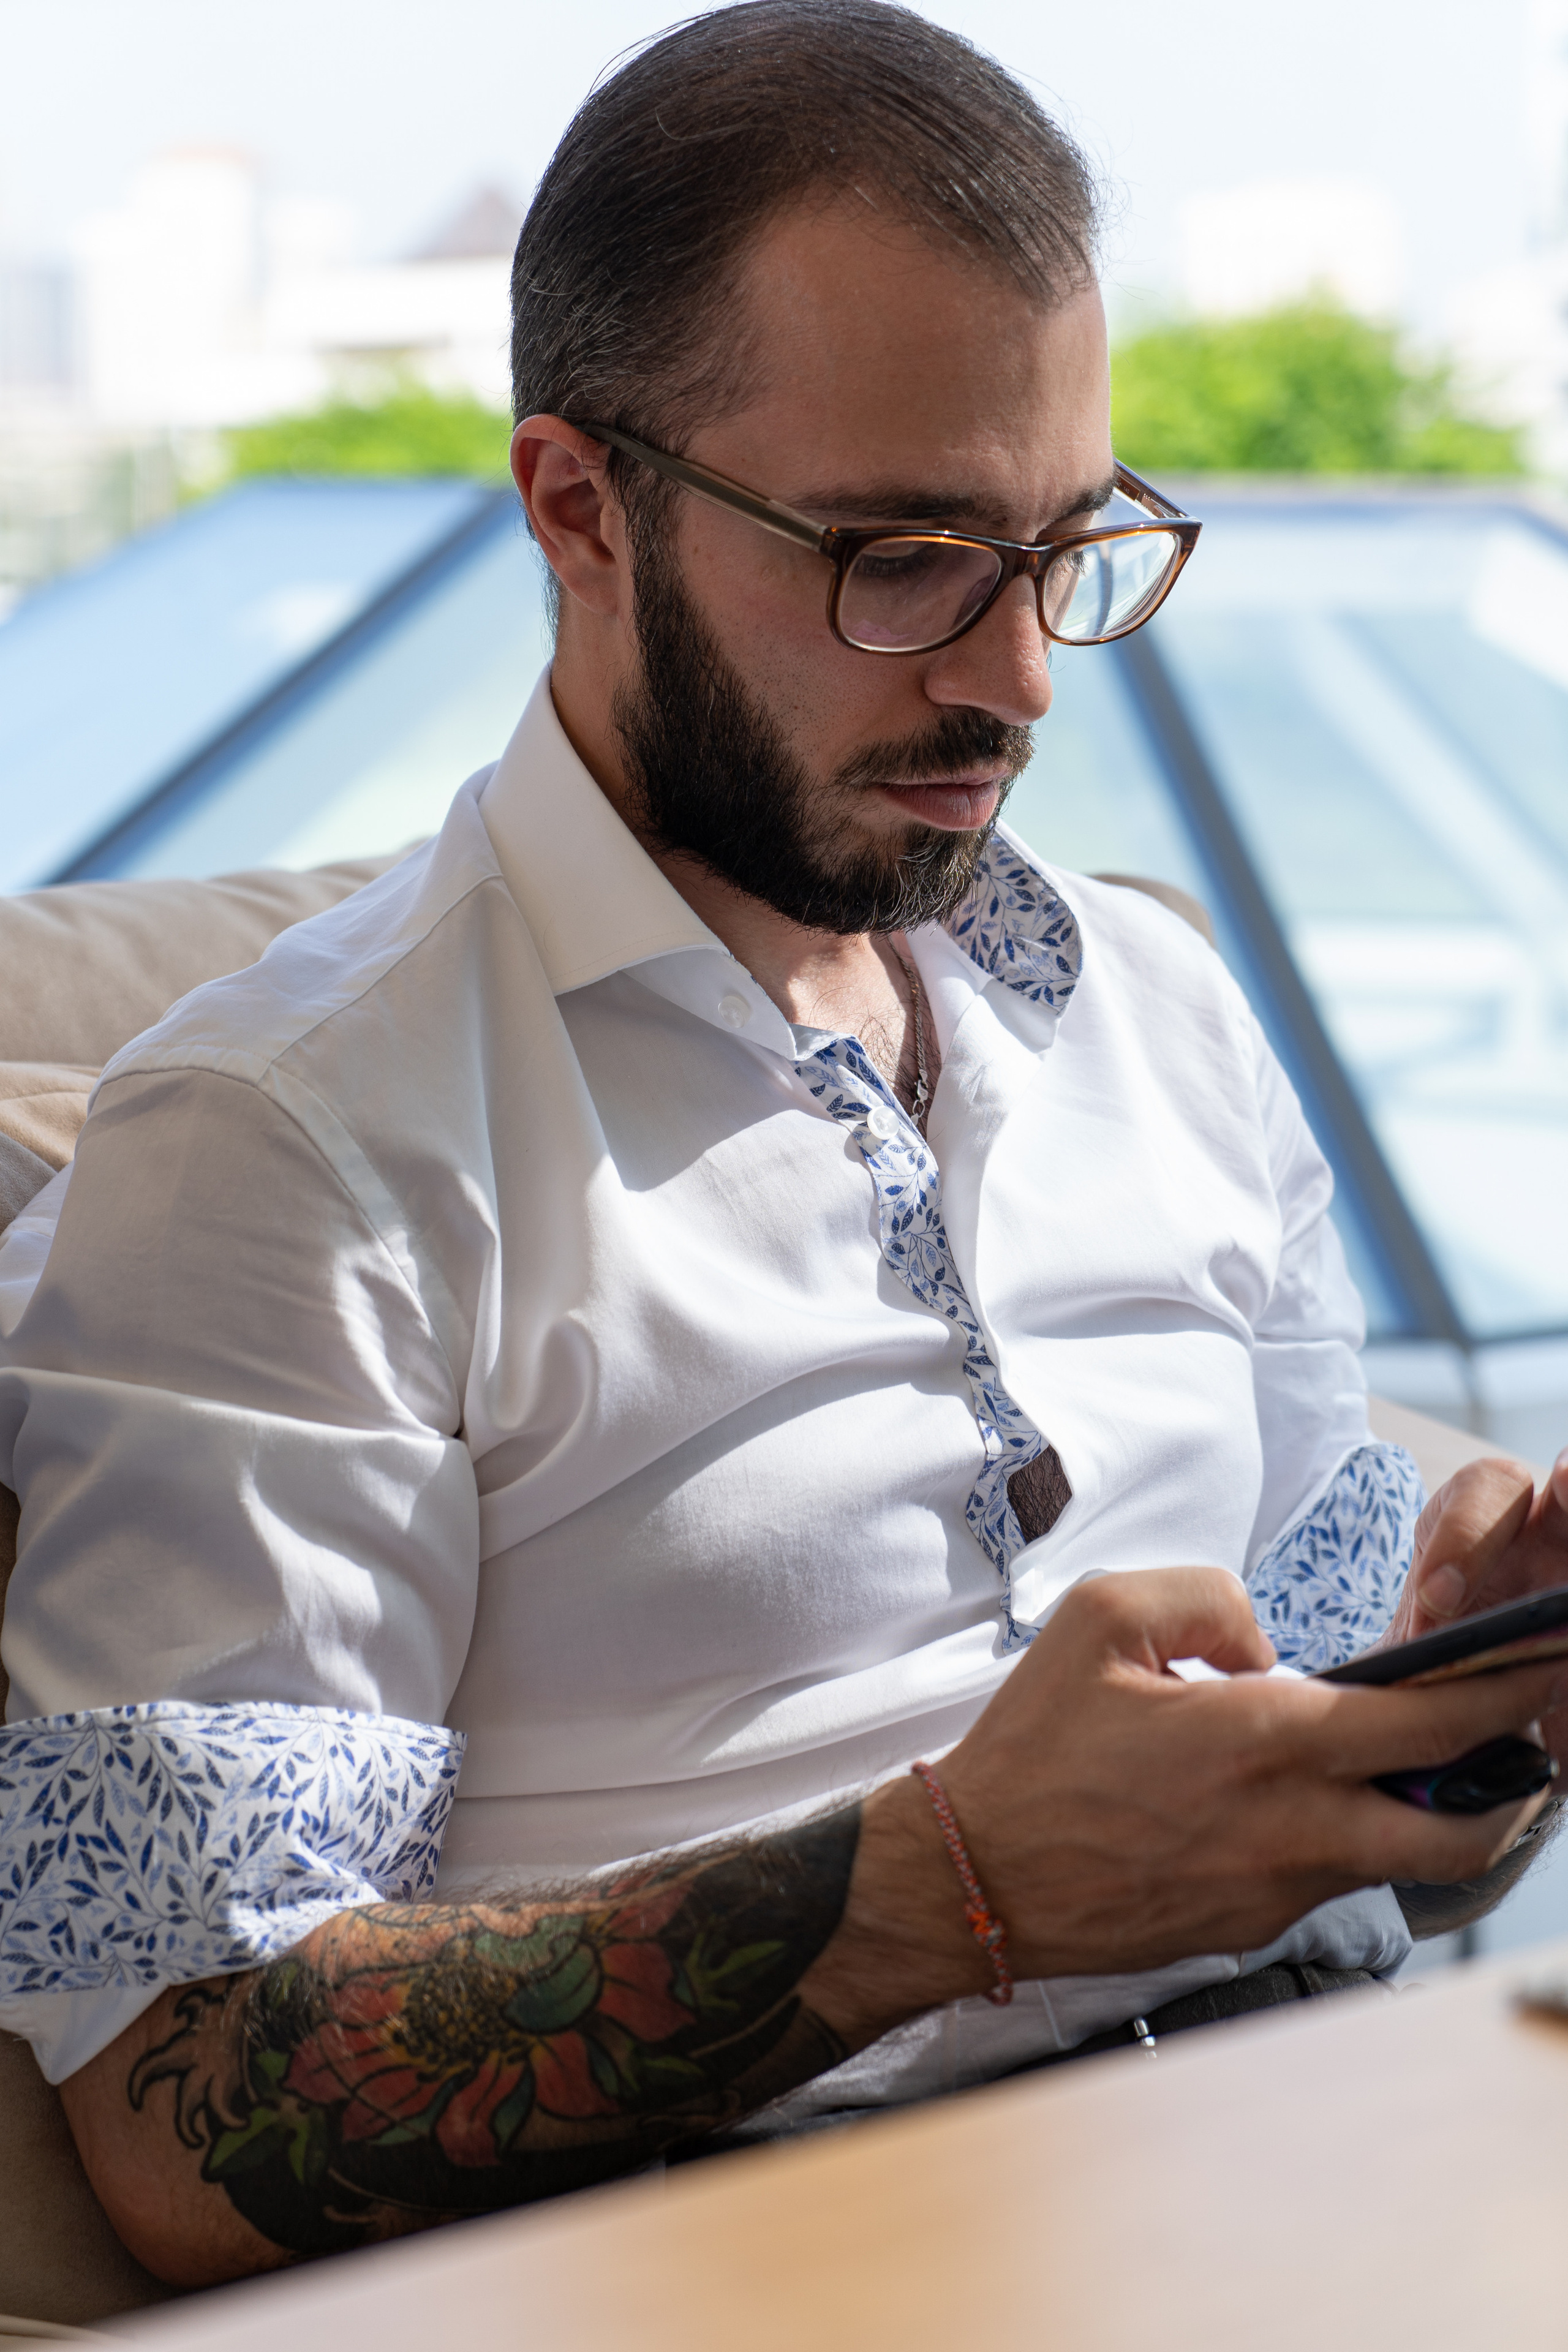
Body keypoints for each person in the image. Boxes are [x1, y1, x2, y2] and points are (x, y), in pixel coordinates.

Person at [1, 0, 1566, 2291]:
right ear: (577, 507)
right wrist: (959, 1880)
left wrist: (1455, 1711)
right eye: (905, 552)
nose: (1023, 672)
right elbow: (179, 2101)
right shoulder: (283, 1152)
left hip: (1325, 2166)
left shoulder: (1154, 1008)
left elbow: (1343, 1826)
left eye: (1069, 542)